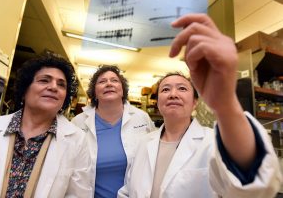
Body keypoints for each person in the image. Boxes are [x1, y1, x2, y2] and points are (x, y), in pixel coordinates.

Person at [118, 13, 282, 198]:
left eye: (182, 88)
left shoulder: (211, 142)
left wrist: (224, 102)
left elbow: (257, 187)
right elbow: (127, 190)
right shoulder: (143, 143)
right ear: (157, 103)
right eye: (165, 90)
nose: (173, 94)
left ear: (195, 101)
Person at [0, 53, 92, 197]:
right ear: (24, 90)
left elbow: (78, 194)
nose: (53, 87)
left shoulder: (77, 140)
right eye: (44, 80)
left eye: (61, 84)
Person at [72, 64, 156, 197]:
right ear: (94, 93)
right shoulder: (78, 122)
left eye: (114, 80)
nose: (109, 84)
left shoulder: (141, 118)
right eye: (102, 81)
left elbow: (153, 158)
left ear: (122, 90)